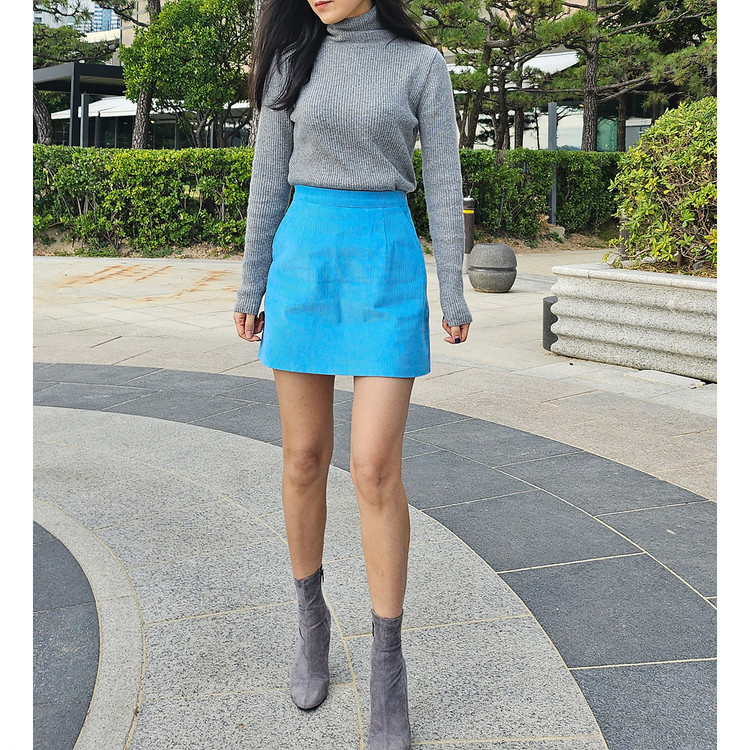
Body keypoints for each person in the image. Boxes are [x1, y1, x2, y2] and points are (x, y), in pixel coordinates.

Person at [232, 1, 472, 747]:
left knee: (374, 467)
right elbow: (268, 182)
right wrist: (251, 285)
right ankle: (312, 621)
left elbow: (443, 181)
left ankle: (387, 666)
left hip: (385, 261)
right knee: (304, 457)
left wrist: (455, 289)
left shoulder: (421, 65)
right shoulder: (290, 58)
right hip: (305, 262)